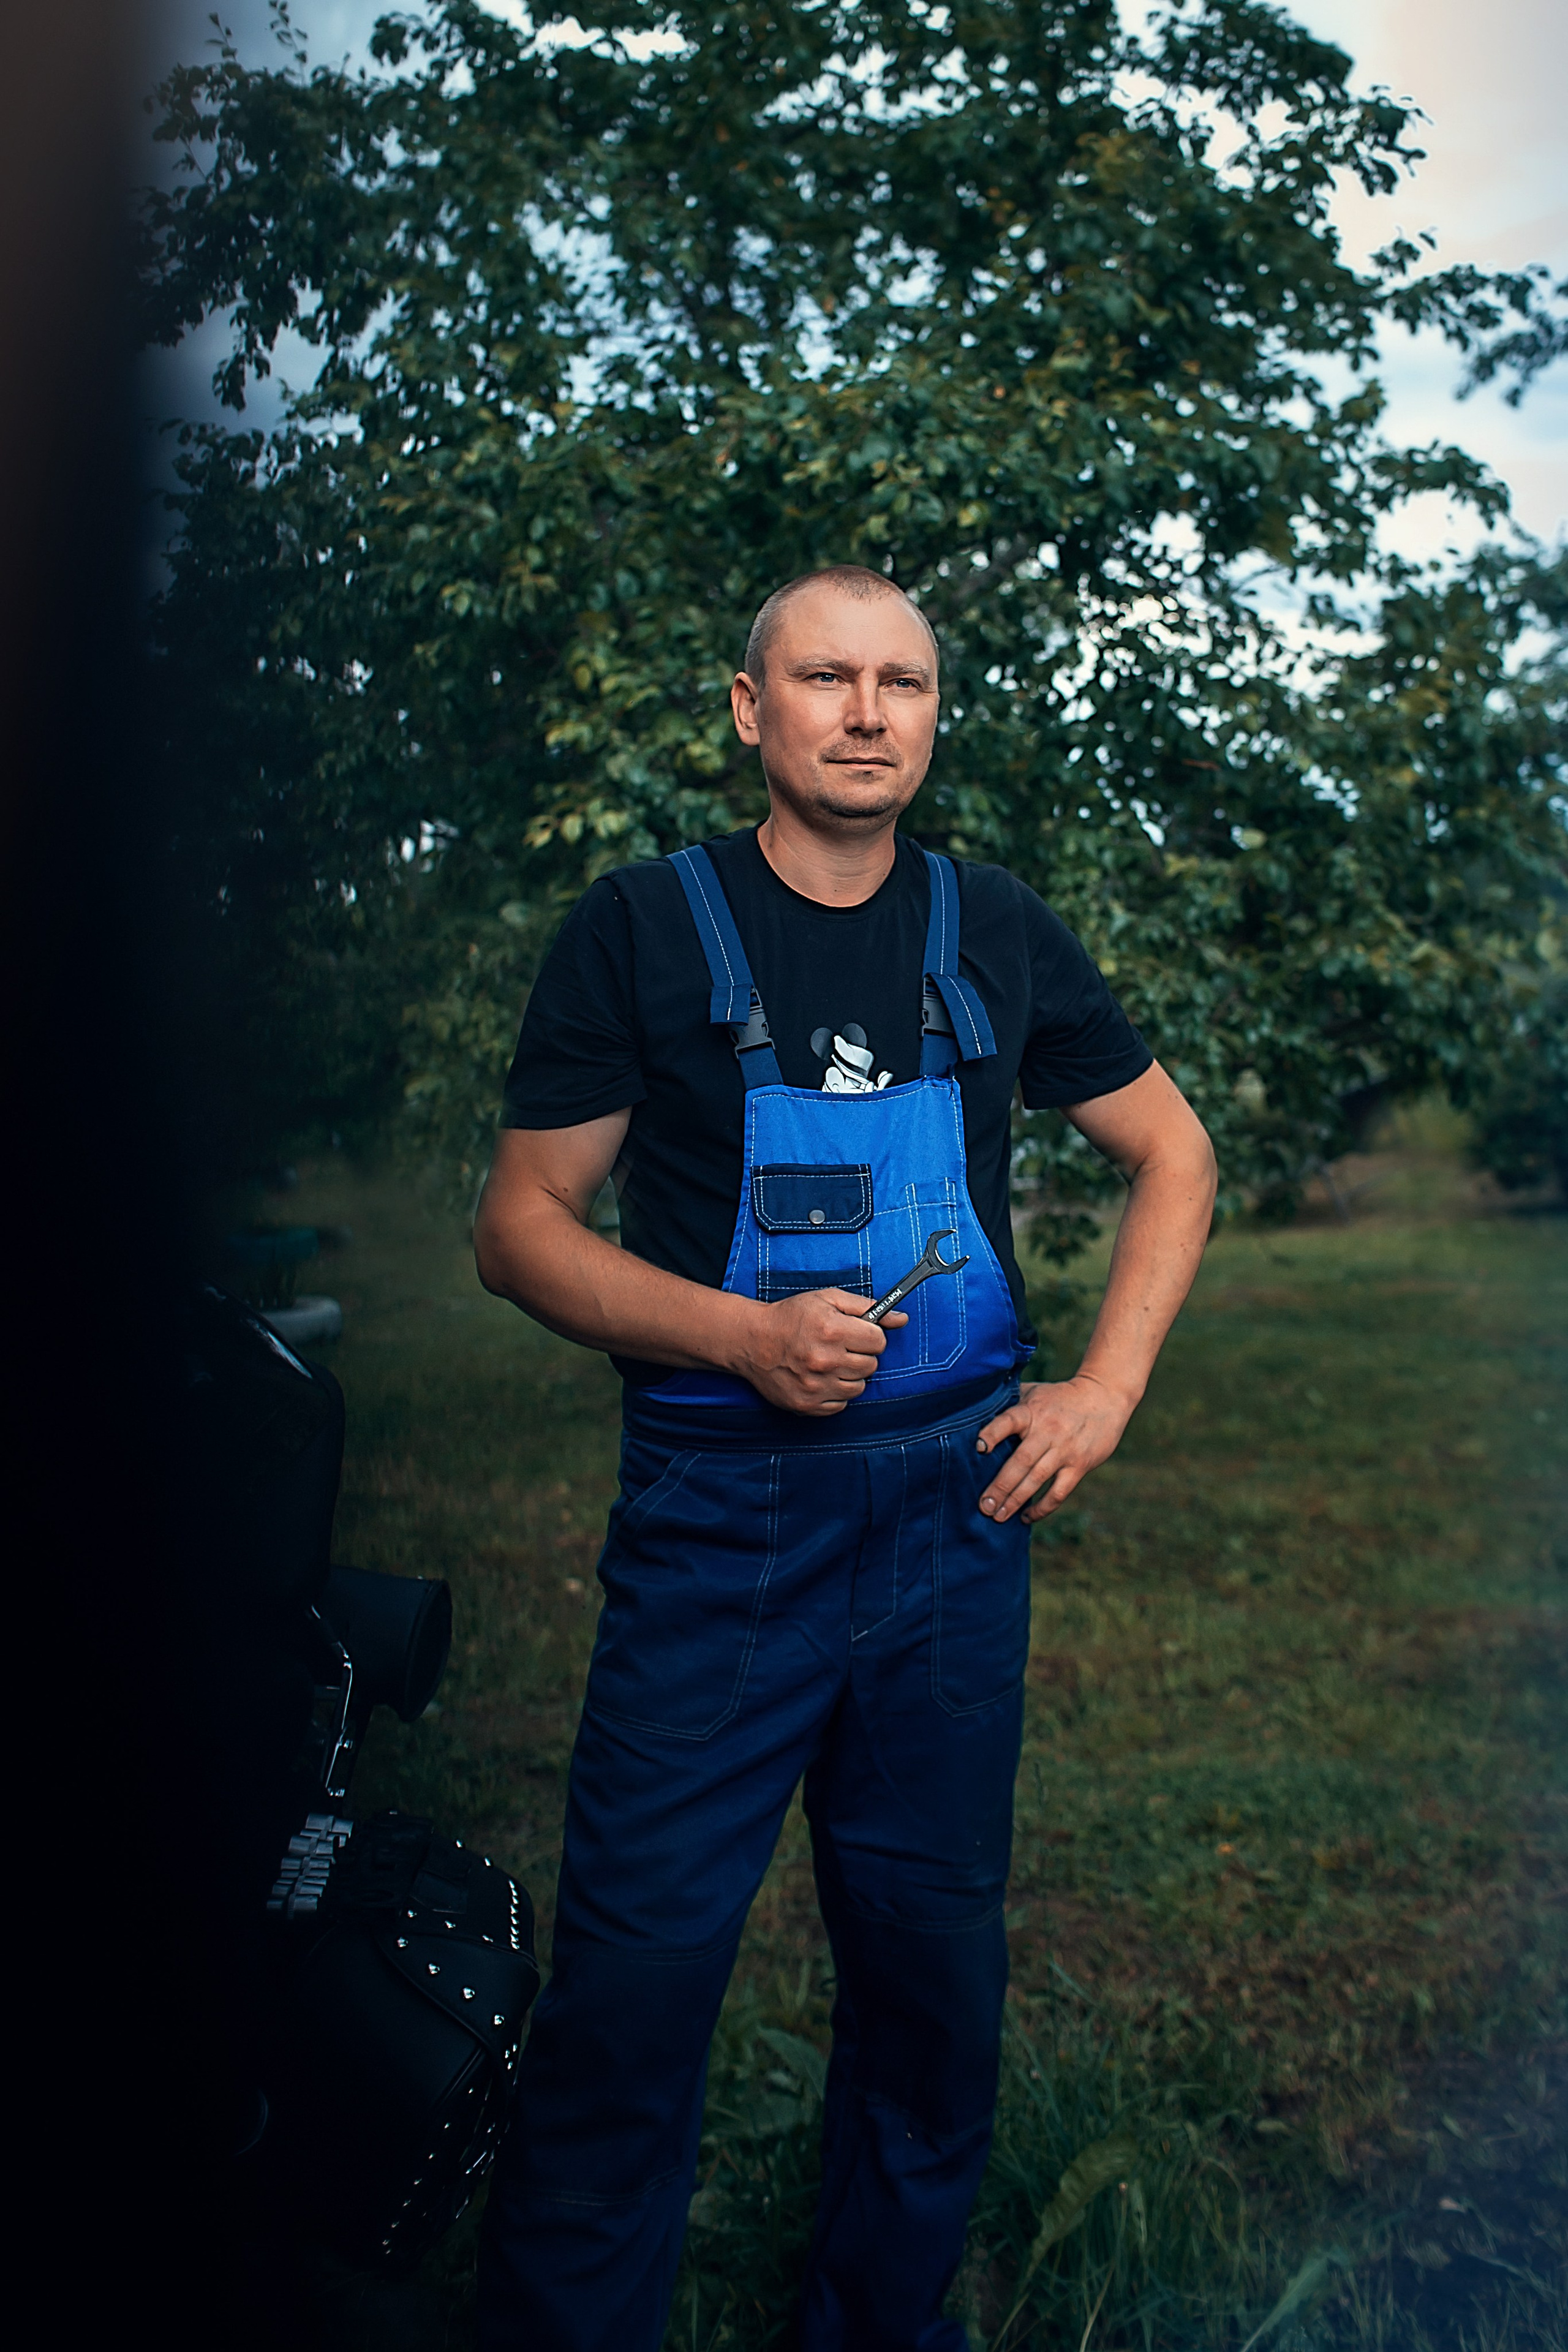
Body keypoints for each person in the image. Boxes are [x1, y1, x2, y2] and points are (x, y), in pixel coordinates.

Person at [472, 564, 1217, 2351]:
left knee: (933, 1983)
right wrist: (741, 1338)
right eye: (826, 677)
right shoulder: (645, 928)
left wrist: (1102, 1394)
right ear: (753, 712)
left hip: (954, 1532)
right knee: (637, 1991)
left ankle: (878, 2324)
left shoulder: (994, 928)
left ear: (935, 717)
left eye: (903, 683)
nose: (868, 711)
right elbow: (520, 1226)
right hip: (725, 1532)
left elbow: (1173, 1157)